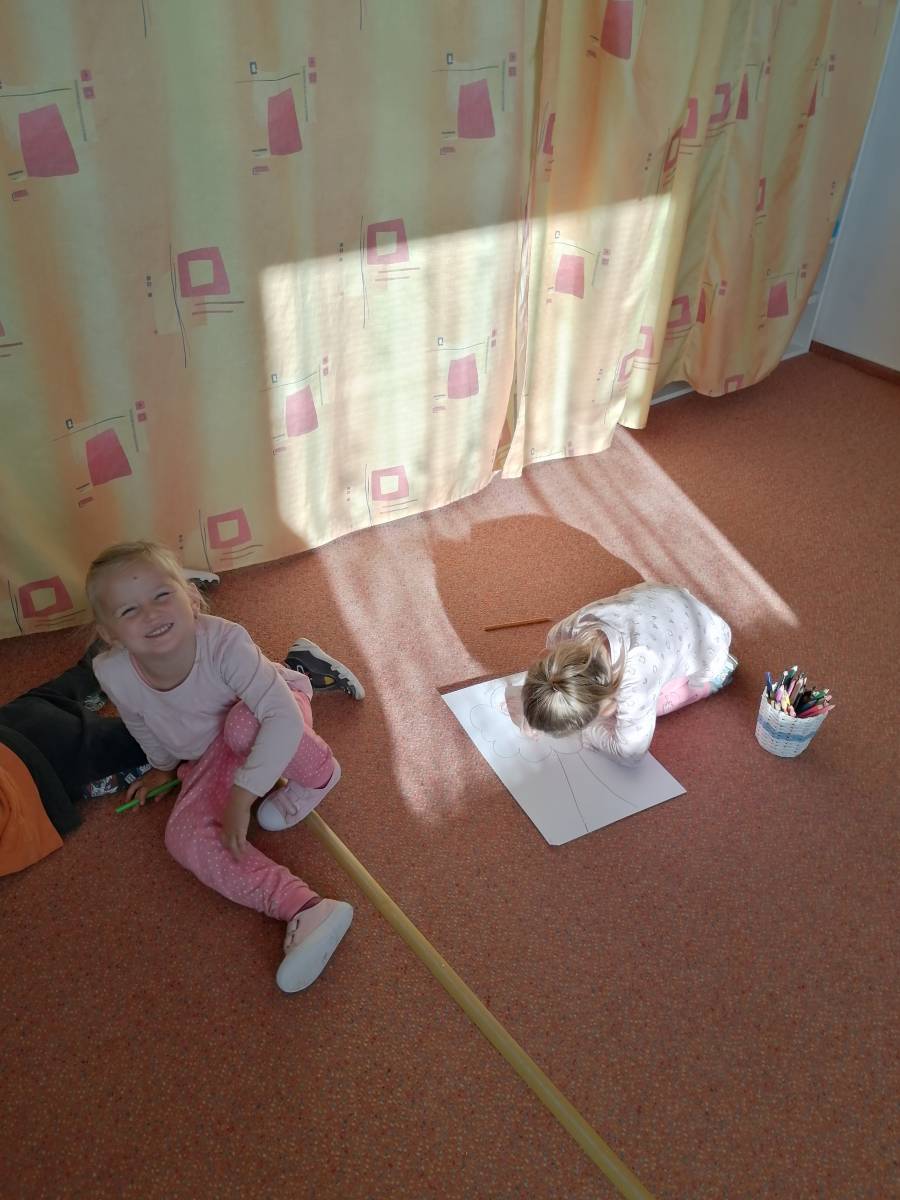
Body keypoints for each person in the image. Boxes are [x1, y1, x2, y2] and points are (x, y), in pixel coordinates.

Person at [86, 539, 356, 993]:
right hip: (213, 752)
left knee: (242, 726)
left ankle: (320, 773)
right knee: (182, 836)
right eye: (129, 611)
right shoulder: (112, 671)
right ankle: (305, 908)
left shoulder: (224, 641)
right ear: (110, 633)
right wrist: (164, 766)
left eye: (161, 595)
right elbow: (140, 721)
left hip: (273, 710)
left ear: (191, 598)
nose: (151, 614)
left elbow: (281, 717)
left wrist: (243, 795)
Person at [520, 582, 737, 765]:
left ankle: (719, 676)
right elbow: (558, 677)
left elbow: (631, 753)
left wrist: (589, 732)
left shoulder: (635, 680)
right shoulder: (568, 629)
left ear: (608, 707)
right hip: (662, 595)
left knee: (657, 704)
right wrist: (536, 708)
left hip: (711, 639)